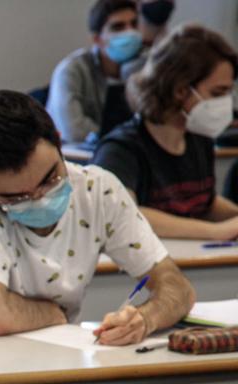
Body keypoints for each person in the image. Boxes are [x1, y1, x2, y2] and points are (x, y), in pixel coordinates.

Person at [0, 90, 195, 344]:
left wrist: (144, 318)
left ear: (59, 144)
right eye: (16, 198)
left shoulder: (97, 189)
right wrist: (53, 313)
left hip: (60, 361)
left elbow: (178, 289)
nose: (40, 199)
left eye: (50, 179)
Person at [92, 25, 238, 240]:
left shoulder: (199, 140)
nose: (225, 103)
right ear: (180, 89)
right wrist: (217, 232)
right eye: (217, 93)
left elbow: (204, 202)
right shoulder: (121, 149)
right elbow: (123, 214)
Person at [46, 0, 142, 145]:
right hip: (82, 157)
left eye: (134, 24)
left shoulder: (144, 67)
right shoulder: (71, 71)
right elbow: (73, 130)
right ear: (97, 39)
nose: (129, 32)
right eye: (118, 27)